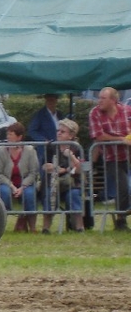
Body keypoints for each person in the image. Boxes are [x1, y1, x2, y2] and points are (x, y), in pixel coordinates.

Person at [89, 87, 131, 232]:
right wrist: (121, 139)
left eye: (103, 98)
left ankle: (122, 216)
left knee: (125, 189)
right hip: (111, 158)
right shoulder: (95, 113)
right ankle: (121, 221)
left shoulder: (127, 111)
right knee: (124, 187)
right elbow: (99, 136)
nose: (99, 101)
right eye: (99, 97)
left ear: (113, 100)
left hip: (129, 156)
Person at [0, 122, 39, 233]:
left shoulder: (30, 150)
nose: (8, 137)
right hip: (6, 183)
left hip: (25, 183)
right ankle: (0, 225)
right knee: (4, 192)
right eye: (7, 134)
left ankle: (31, 226)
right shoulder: (1, 150)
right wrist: (12, 186)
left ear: (19, 137)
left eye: (11, 134)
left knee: (29, 194)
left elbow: (33, 173)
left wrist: (23, 187)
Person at [41, 119, 84, 234]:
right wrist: (53, 168)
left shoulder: (76, 148)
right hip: (53, 182)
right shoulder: (51, 147)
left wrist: (71, 157)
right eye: (58, 130)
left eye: (63, 131)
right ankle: (46, 228)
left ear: (71, 136)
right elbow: (44, 166)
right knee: (50, 194)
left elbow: (79, 170)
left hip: (72, 183)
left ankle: (79, 227)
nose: (59, 133)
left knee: (74, 194)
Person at [28, 94, 66, 210]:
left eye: (53, 100)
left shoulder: (59, 114)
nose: (51, 102)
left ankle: (56, 197)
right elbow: (32, 130)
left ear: (56, 100)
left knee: (57, 171)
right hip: (44, 149)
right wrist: (43, 140)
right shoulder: (40, 114)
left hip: (58, 147)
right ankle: (44, 197)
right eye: (48, 100)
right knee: (45, 173)